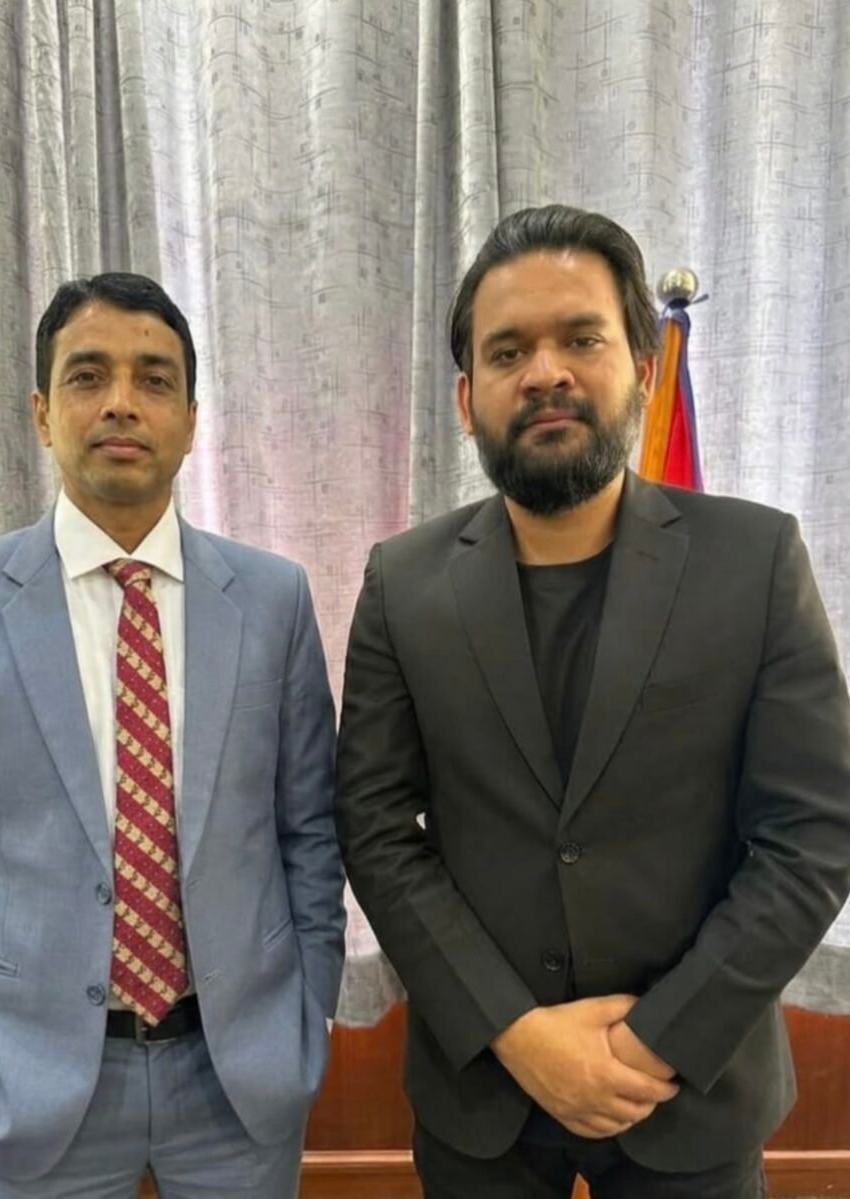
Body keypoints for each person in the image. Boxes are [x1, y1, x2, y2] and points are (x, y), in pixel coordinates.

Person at [335, 204, 850, 1198]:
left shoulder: (755, 561)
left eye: (581, 338)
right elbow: (375, 825)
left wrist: (655, 1040)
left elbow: (813, 832)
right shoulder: (402, 583)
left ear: (643, 369)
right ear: (466, 397)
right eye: (507, 351)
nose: (545, 373)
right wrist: (515, 1031)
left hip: (690, 1089)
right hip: (481, 1087)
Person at [0, 272, 345, 1199]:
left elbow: (310, 832)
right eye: (88, 376)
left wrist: (309, 1016)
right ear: (43, 413)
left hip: (238, 1078)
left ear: (192, 419)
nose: (122, 402)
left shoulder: (272, 599)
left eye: (154, 379)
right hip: (30, 1080)